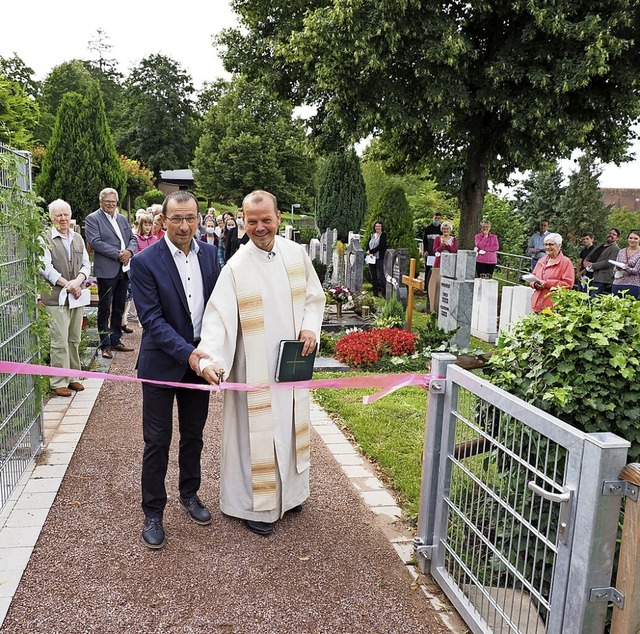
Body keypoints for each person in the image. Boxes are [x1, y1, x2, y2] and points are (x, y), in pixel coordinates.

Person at [197, 190, 326, 537]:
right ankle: (256, 506)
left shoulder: (296, 255)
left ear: (278, 218)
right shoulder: (236, 267)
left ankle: (292, 495)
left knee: (290, 430)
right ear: (242, 220)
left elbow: (314, 297)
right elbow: (218, 320)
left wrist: (310, 327)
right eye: (251, 221)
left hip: (290, 367)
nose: (259, 227)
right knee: (257, 437)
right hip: (253, 373)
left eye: (265, 219)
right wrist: (211, 359)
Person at [129, 190, 221, 549]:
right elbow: (152, 320)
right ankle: (153, 511)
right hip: (161, 366)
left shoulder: (212, 255)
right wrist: (192, 356)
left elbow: (217, 310)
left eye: (191, 218)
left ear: (199, 219)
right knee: (157, 441)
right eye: (177, 219)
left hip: (199, 365)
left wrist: (212, 354)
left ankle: (190, 493)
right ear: (163, 221)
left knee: (194, 436)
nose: (185, 226)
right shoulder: (145, 262)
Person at [39, 199, 91, 397]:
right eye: (58, 215)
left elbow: (86, 264)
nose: (63, 219)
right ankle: (58, 380)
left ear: (70, 216)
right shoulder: (44, 238)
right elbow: (45, 268)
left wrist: (77, 282)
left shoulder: (77, 238)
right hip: (56, 297)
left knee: (74, 339)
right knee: (59, 340)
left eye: (65, 215)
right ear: (52, 217)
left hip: (75, 296)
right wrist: (67, 284)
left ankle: (73, 377)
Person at [85, 188, 138, 359]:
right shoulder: (93, 219)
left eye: (113, 201)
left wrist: (129, 251)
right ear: (101, 202)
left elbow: (133, 238)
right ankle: (105, 344)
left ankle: (116, 339)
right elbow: (95, 242)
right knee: (104, 308)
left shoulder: (122, 218)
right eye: (107, 201)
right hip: (107, 270)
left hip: (124, 269)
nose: (111, 204)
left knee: (119, 307)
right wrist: (119, 254)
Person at [529, 233, 575, 312]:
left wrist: (546, 283)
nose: (547, 247)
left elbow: (568, 284)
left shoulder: (565, 262)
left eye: (550, 244)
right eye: (545, 244)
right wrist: (535, 284)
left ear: (559, 246)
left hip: (553, 306)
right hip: (537, 304)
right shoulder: (541, 261)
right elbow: (533, 278)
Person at [428, 221, 457, 313]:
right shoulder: (438, 238)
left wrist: (447, 246)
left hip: (449, 265)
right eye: (444, 229)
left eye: (447, 229)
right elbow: (435, 250)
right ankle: (434, 308)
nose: (445, 230)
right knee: (436, 285)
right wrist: (442, 246)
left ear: (450, 230)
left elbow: (454, 251)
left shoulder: (454, 240)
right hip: (438, 264)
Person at [583, 228, 621, 297]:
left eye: (614, 234)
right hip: (588, 275)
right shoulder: (599, 245)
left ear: (617, 238)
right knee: (585, 297)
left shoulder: (616, 249)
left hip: (601, 278)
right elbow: (589, 255)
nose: (611, 235)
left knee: (593, 298)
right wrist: (585, 261)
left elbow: (609, 262)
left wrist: (593, 265)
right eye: (610, 233)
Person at [612, 229, 640, 299]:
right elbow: (615, 267)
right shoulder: (621, 251)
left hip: (632, 285)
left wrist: (625, 267)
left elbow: (636, 271)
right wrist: (617, 268)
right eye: (630, 238)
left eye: (635, 238)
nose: (632, 240)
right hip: (617, 283)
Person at [366, 219, 387, 297]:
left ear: (382, 227)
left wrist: (371, 251)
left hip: (379, 258)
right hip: (371, 258)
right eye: (376, 226)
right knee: (373, 276)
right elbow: (368, 244)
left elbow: (381, 246)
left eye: (379, 226)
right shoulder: (372, 235)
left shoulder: (383, 235)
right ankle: (375, 293)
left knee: (380, 276)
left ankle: (384, 293)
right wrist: (368, 251)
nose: (377, 228)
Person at [421, 212, 443, 289]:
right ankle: (426, 286)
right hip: (429, 252)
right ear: (433, 218)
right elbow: (424, 241)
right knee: (428, 269)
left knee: (437, 269)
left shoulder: (442, 229)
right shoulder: (428, 229)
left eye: (438, 218)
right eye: (435, 218)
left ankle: (436, 286)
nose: (437, 220)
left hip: (438, 253)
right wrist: (425, 250)